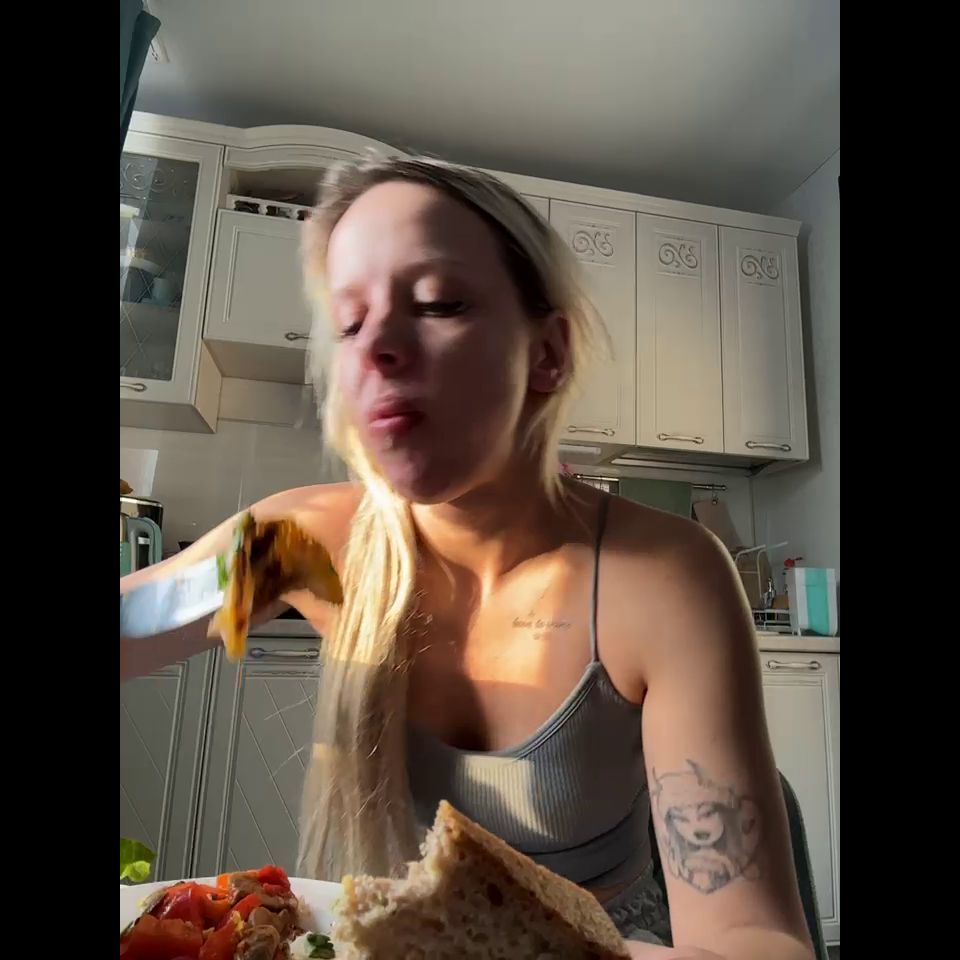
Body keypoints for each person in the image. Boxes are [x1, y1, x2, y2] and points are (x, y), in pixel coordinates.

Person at [120, 158, 814, 960]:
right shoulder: (297, 547)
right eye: (349, 322)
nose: (377, 346)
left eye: (438, 302)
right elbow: (135, 620)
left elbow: (754, 943)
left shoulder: (666, 577)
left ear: (546, 354)